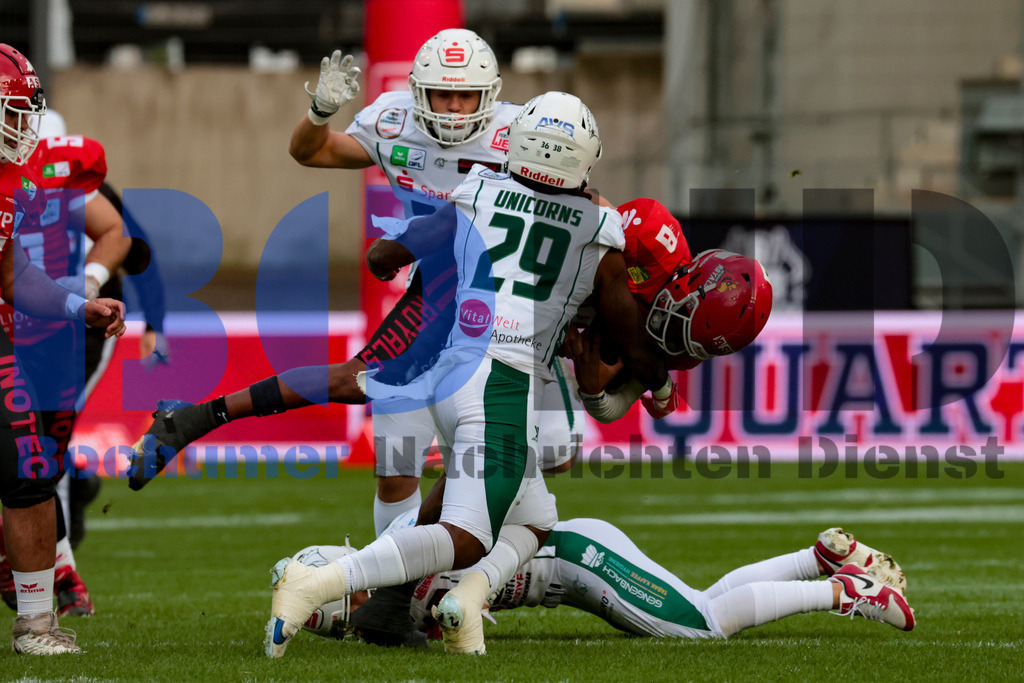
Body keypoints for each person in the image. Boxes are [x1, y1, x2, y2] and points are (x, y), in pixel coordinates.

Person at [261, 91, 673, 659]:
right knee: (468, 537)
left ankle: (456, 611)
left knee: (536, 517)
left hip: (447, 368)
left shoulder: (479, 188)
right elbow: (631, 345)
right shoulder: (601, 231)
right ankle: (325, 582)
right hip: (504, 379)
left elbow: (383, 258)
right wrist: (667, 374)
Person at [126, 30, 584, 536]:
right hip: (436, 289)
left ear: (491, 95)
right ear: (417, 92)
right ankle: (400, 585)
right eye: (441, 94)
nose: (453, 109)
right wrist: (320, 112)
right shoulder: (393, 122)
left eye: (465, 95)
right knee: (392, 461)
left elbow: (585, 207)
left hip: (509, 296)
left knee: (553, 455)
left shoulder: (521, 131)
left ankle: (194, 420)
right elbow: (310, 152)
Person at [294, 513, 913, 645]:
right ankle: (820, 563)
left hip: (578, 559)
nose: (340, 620)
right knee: (700, 606)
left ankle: (848, 593)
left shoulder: (405, 547)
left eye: (331, 610)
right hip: (573, 561)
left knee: (702, 628)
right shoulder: (394, 558)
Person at [0, 42, 126, 654]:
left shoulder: (18, 181)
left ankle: (36, 622)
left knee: (30, 462)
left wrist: (81, 302)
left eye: (27, 111)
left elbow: (12, 274)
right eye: (12, 111)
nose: (24, 127)